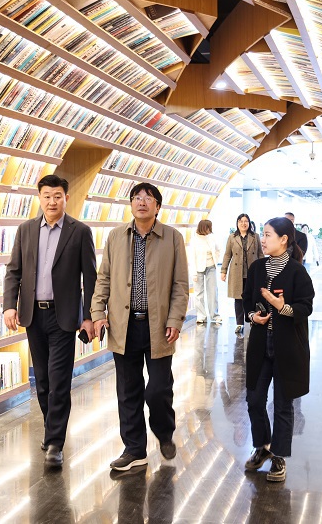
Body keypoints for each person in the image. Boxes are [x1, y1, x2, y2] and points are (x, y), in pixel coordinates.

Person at [91, 182, 189, 472]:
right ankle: (134, 449)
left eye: (148, 198)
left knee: (158, 389)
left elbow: (180, 285)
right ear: (131, 204)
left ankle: (164, 432)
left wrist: (175, 320)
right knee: (128, 390)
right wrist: (98, 312)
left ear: (158, 206)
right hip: (124, 325)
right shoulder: (116, 236)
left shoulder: (172, 238)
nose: (141, 202)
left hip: (159, 327)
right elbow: (104, 278)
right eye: (136, 197)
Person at [3, 174, 97, 468]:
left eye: (57, 196)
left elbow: (90, 278)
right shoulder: (26, 230)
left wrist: (88, 316)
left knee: (59, 381)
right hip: (33, 315)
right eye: (47, 196)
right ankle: (50, 429)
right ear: (39, 198)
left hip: (63, 317)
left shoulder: (79, 232)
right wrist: (9, 306)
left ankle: (55, 442)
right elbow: (13, 271)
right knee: (42, 382)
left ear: (66, 198)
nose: (52, 202)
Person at [243, 217, 314, 482]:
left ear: (284, 240)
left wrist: (281, 307)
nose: (262, 239)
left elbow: (306, 307)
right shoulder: (257, 268)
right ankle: (263, 447)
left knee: (283, 405)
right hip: (260, 345)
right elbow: (247, 301)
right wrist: (253, 316)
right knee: (254, 400)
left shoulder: (297, 272)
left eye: (268, 235)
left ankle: (279, 457)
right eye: (262, 234)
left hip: (288, 347)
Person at [221, 214, 263, 335]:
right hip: (237, 272)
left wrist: (263, 270)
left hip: (252, 272)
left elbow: (260, 254)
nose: (243, 223)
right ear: (237, 223)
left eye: (246, 221)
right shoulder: (232, 237)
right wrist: (223, 271)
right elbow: (227, 255)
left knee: (253, 297)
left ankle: (253, 320)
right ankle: (239, 324)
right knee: (238, 299)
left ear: (249, 223)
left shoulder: (255, 236)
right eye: (241, 221)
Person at [192, 219, 222, 325]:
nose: (210, 230)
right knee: (198, 293)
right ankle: (201, 316)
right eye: (208, 227)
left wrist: (215, 261)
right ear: (203, 228)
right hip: (198, 269)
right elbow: (192, 257)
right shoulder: (195, 239)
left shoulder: (212, 237)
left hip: (211, 267)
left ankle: (215, 315)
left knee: (213, 292)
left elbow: (218, 249)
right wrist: (193, 273)